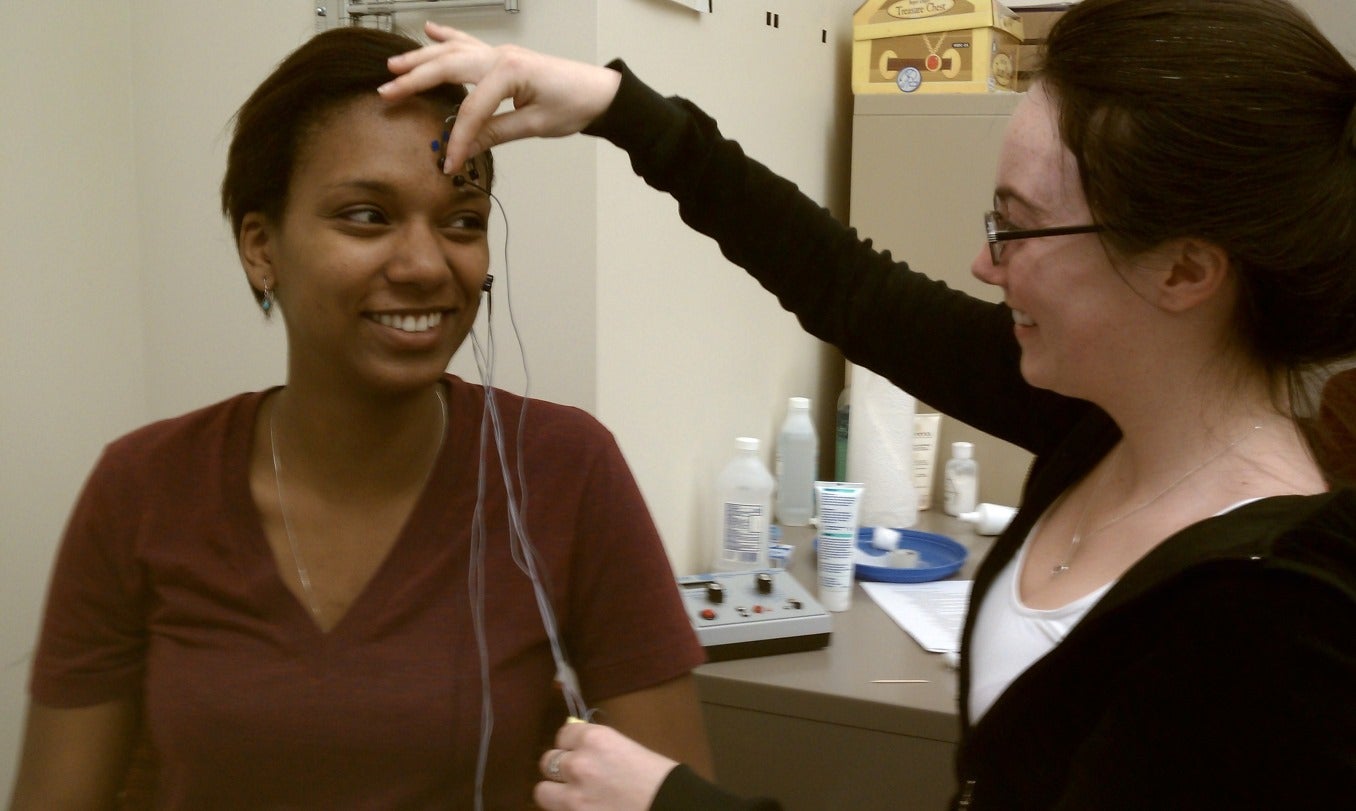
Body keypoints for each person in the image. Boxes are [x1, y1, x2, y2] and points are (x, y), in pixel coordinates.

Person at [378, 0, 1356, 807]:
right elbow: (848, 285)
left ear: (1184, 268)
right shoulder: (1105, 425)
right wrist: (612, 106)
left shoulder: (1271, 621)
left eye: (1017, 229)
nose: (984, 262)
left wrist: (671, 803)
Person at [9, 26, 712, 810]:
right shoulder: (142, 488)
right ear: (260, 247)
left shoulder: (565, 469)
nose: (423, 264)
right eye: (367, 216)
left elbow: (673, 792)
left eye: (462, 220)